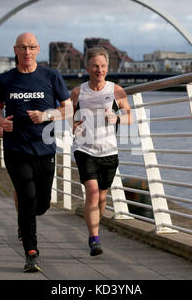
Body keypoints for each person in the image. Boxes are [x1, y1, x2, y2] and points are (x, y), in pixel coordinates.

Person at [0, 32, 72, 273]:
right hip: (16, 148)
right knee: (26, 199)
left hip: (44, 148)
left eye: (32, 47)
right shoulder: (5, 79)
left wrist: (46, 115)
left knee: (41, 204)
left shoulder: (51, 76)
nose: (27, 52)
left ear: (38, 50)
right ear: (16, 50)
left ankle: (25, 222)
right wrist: (0, 123)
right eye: (22, 47)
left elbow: (67, 108)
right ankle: (31, 253)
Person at [70, 47, 133, 256]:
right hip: (84, 149)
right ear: (87, 67)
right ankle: (94, 238)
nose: (100, 70)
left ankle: (95, 228)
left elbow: (129, 116)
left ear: (108, 67)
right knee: (93, 193)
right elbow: (71, 116)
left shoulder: (116, 90)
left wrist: (117, 118)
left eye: (103, 66)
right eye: (95, 66)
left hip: (109, 150)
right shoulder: (78, 92)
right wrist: (74, 126)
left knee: (103, 197)